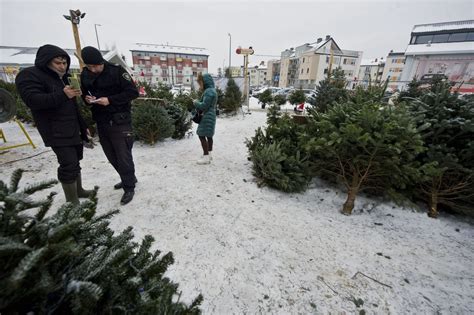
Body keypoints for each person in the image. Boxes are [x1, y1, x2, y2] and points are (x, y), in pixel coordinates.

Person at [15, 44, 93, 204]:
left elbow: (73, 106)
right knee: (68, 164)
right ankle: (72, 202)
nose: (63, 66)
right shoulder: (29, 75)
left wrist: (83, 127)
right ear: (46, 61)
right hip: (55, 130)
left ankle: (79, 190)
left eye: (65, 63)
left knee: (76, 160)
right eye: (58, 63)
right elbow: (33, 100)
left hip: (72, 128)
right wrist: (62, 94)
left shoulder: (62, 78)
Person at [79, 46, 139, 205]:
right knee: (111, 155)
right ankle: (128, 177)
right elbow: (84, 94)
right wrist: (87, 100)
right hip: (101, 120)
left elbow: (133, 92)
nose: (94, 69)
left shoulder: (117, 71)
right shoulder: (85, 75)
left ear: (101, 61)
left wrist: (110, 100)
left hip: (120, 120)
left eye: (96, 65)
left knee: (123, 155)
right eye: (90, 67)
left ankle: (129, 187)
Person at [193, 73, 217, 165]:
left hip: (207, 116)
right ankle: (209, 155)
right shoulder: (212, 90)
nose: (200, 84)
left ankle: (206, 156)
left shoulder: (208, 91)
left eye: (200, 82)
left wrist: (195, 102)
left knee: (201, 135)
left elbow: (204, 106)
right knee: (209, 136)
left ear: (205, 82)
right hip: (211, 115)